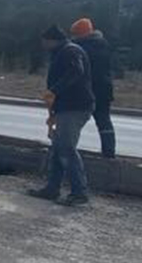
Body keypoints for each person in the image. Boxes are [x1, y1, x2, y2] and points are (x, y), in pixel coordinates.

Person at [28, 24, 94, 206]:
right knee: (57, 149)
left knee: (66, 148)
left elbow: (76, 72)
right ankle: (52, 188)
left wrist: (54, 91)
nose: (43, 45)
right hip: (66, 106)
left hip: (75, 107)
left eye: (44, 41)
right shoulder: (62, 52)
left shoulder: (70, 51)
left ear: (52, 40)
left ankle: (79, 193)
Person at [71, 18, 116, 158]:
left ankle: (67, 148)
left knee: (73, 120)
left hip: (86, 89)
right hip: (104, 89)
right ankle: (109, 152)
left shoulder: (80, 48)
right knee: (104, 121)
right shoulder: (103, 45)